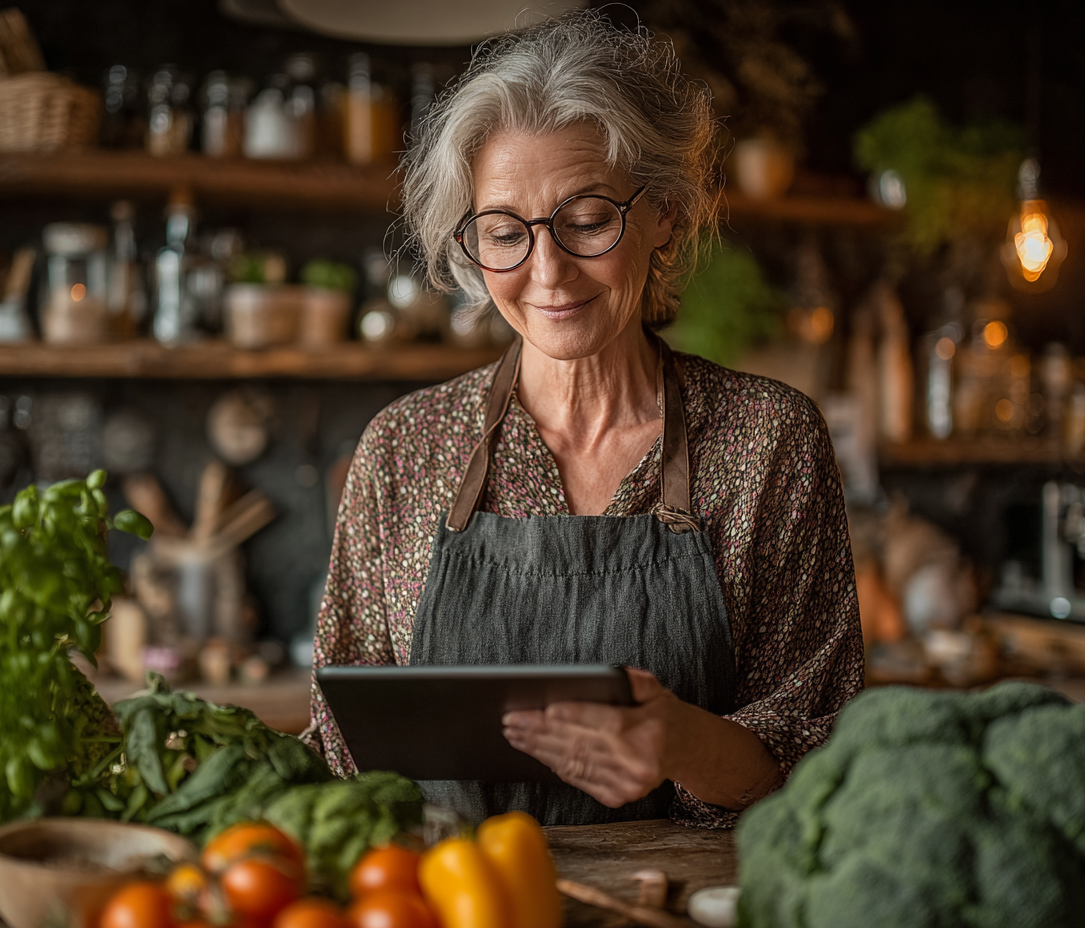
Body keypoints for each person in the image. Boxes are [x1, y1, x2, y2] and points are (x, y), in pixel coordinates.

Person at [301, 11, 863, 827]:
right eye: (504, 234)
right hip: (460, 901)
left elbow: (824, 761)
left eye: (588, 220)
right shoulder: (406, 450)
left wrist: (679, 741)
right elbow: (344, 749)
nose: (548, 272)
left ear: (664, 211)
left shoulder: (766, 442)